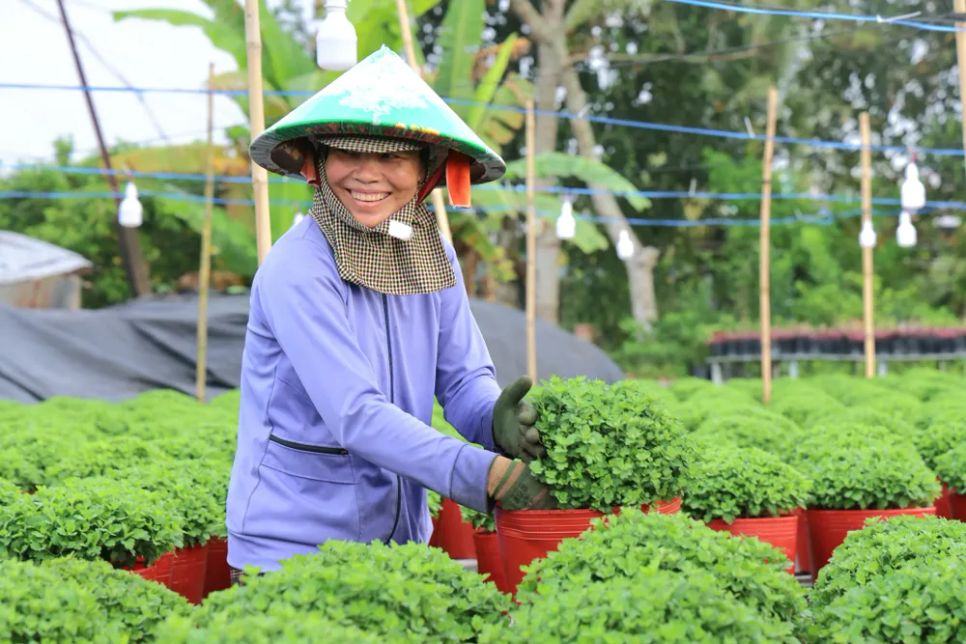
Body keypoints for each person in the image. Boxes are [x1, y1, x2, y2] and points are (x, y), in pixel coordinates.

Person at [225, 47, 555, 576]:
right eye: (348, 154)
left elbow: (463, 377)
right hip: (293, 552)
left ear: (425, 170)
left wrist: (496, 421)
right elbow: (355, 414)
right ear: (317, 160)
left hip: (399, 549)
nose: (367, 175)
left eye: (392, 158)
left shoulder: (430, 250)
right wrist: (486, 476)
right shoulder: (298, 268)